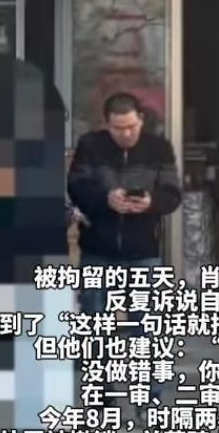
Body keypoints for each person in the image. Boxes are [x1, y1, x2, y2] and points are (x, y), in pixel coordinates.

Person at [67, 90, 182, 316]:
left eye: (131, 126)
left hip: (143, 249)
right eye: (118, 128)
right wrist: (106, 199)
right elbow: (76, 188)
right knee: (95, 323)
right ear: (107, 123)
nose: (126, 133)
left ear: (141, 119)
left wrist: (151, 202)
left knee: (145, 323)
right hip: (97, 249)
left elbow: (172, 194)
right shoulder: (90, 145)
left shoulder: (158, 148)